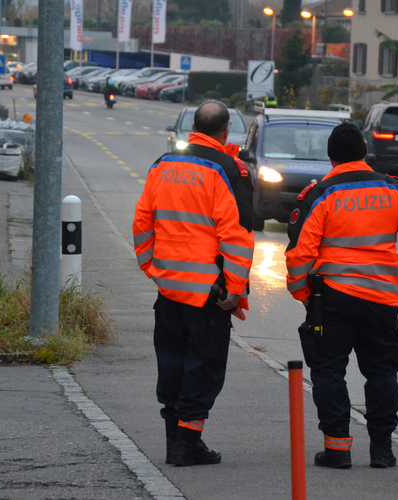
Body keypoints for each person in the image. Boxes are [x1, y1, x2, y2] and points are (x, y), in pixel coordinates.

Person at [285, 123, 398, 469]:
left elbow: (299, 255)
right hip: (382, 300)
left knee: (329, 372)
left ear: (331, 158)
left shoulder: (321, 193)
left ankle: (337, 449)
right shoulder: (395, 190)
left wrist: (304, 294)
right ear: (365, 154)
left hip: (332, 299)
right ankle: (382, 450)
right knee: (381, 374)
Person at [132, 100, 256, 467]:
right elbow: (238, 235)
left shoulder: (163, 164)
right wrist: (235, 289)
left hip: (168, 289)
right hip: (207, 294)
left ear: (193, 128)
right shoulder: (230, 169)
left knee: (171, 364)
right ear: (226, 132)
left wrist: (151, 268)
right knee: (203, 368)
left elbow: (142, 221)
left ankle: (175, 443)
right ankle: (187, 444)